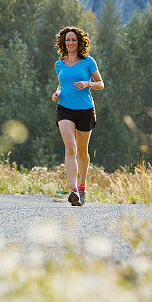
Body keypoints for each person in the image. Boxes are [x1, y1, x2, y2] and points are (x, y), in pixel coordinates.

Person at [51, 26, 104, 206]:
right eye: (67, 40)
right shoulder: (59, 64)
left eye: (73, 40)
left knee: (82, 152)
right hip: (64, 108)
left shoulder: (88, 62)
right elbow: (61, 84)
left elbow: (101, 84)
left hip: (85, 110)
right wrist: (56, 93)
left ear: (79, 42)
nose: (70, 43)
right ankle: (73, 190)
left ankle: (82, 187)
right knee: (70, 147)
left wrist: (88, 83)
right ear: (63, 43)